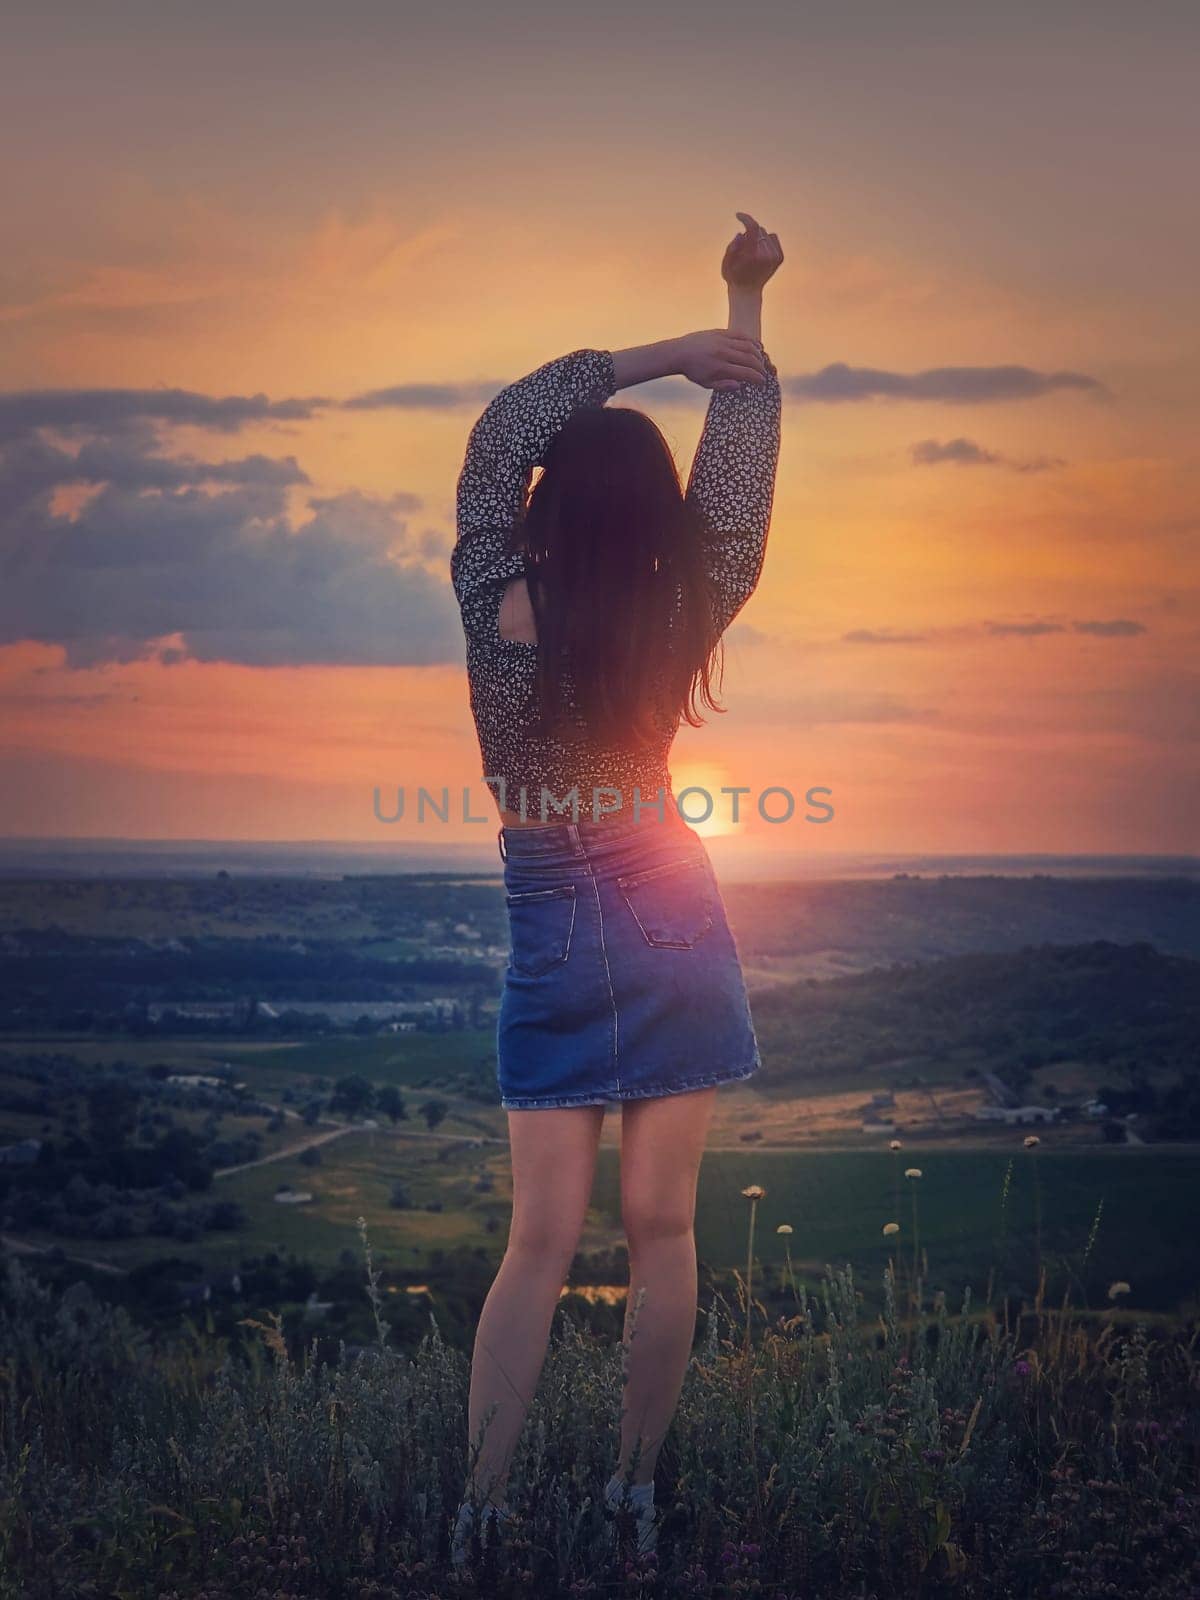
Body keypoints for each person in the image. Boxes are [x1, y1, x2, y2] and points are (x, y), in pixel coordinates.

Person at [448, 212, 784, 1565]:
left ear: (543, 501)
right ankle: (632, 1502)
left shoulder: (495, 592)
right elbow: (743, 479)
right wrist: (742, 314)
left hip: (551, 904)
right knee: (663, 1229)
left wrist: (657, 355)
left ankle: (477, 1516)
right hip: (671, 898)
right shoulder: (686, 596)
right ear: (652, 514)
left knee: (538, 1243)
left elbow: (499, 427)